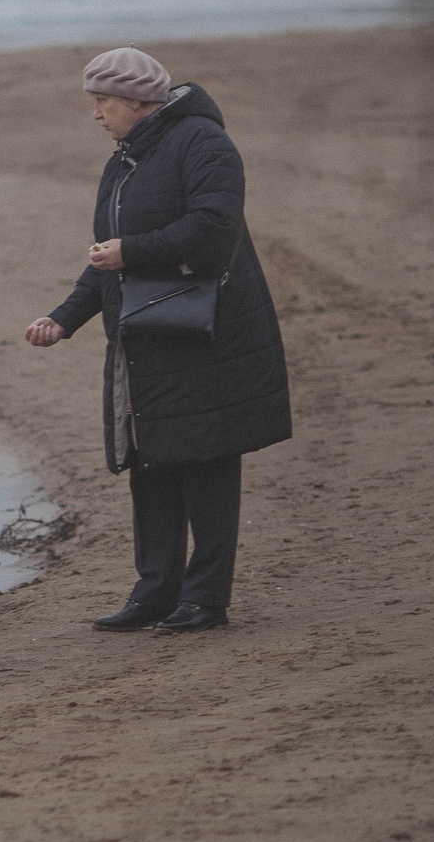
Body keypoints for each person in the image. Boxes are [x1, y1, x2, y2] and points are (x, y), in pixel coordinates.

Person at [23, 46, 290, 634]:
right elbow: (106, 258)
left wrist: (132, 252)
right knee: (151, 462)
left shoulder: (203, 143)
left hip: (205, 332)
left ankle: (205, 599)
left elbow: (215, 228)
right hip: (144, 334)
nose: (96, 115)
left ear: (140, 102)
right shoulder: (125, 160)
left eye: (104, 103)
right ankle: (155, 592)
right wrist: (64, 318)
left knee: (207, 464)